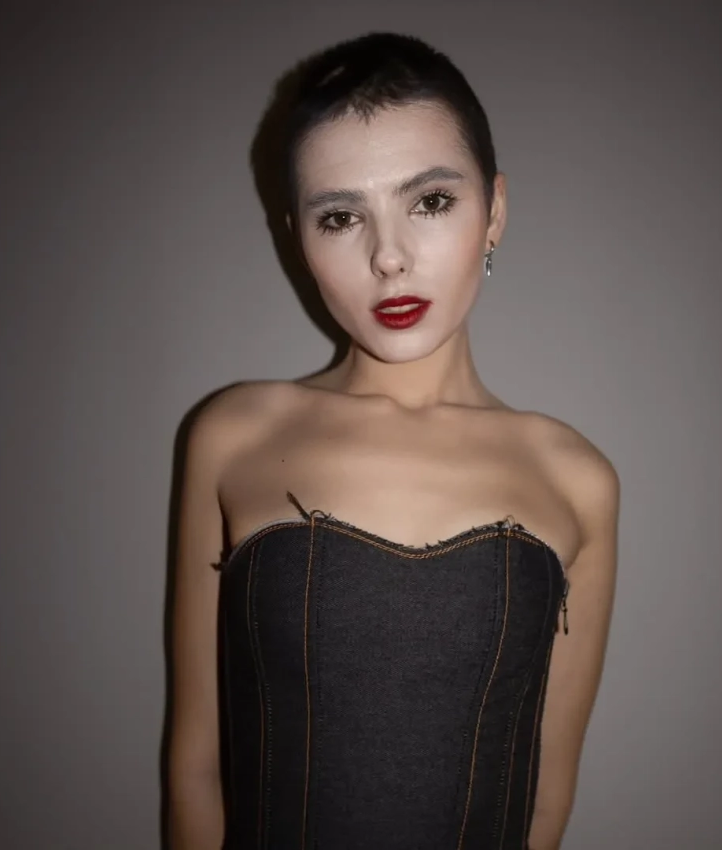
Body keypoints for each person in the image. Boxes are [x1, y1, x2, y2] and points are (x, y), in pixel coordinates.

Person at [167, 32, 619, 850]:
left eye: (431, 201)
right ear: (298, 238)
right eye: (341, 217)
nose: (388, 257)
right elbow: (196, 767)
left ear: (495, 212)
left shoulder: (577, 478)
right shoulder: (232, 435)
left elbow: (545, 802)